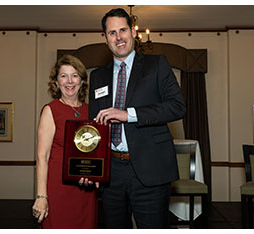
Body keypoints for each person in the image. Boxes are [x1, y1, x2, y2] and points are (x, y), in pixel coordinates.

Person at [88, 8, 186, 229]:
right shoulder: (97, 76)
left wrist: (128, 114)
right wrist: (92, 167)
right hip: (111, 173)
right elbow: (94, 125)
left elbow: (177, 107)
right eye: (112, 33)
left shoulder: (157, 65)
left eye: (123, 30)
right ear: (105, 38)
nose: (118, 37)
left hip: (150, 169)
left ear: (133, 31)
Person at [32, 55, 97, 228]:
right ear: (56, 82)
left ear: (82, 81)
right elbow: (42, 157)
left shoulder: (92, 111)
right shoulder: (51, 110)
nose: (69, 81)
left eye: (74, 75)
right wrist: (41, 197)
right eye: (63, 76)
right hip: (57, 189)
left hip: (85, 190)